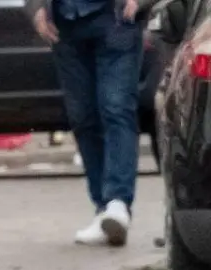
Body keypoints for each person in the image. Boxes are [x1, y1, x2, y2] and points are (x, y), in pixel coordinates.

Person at [25, 0, 157, 246]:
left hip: (116, 19)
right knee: (83, 117)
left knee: (116, 108)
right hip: (65, 24)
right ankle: (103, 208)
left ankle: (118, 202)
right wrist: (37, 9)